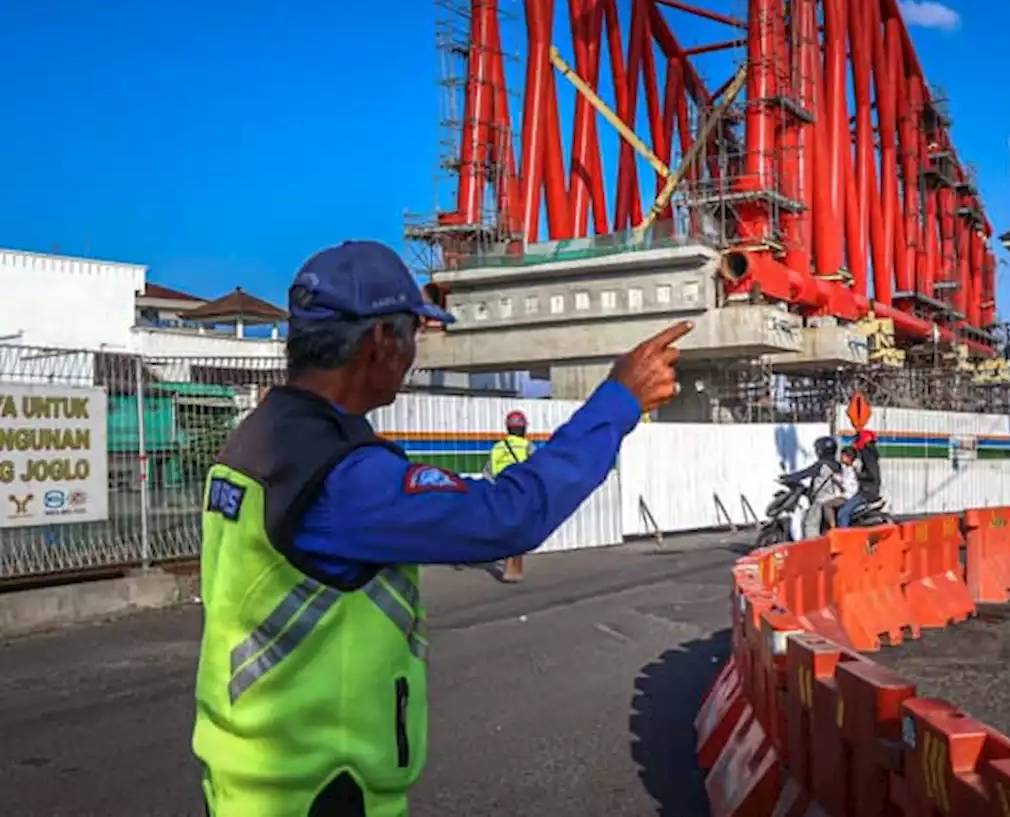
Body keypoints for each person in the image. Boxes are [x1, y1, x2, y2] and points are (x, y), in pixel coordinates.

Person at [192, 239, 692, 817]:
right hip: (322, 790)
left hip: (247, 777)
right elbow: (509, 516)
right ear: (380, 340)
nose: (415, 352)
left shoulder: (259, 440)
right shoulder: (343, 477)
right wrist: (618, 402)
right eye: (413, 333)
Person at [485, 410, 534, 582]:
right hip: (520, 491)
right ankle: (516, 570)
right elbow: (534, 470)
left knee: (507, 529)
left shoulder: (498, 447)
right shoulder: (528, 446)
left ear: (508, 428)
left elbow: (489, 472)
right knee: (520, 529)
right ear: (523, 429)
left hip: (502, 490)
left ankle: (508, 569)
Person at [780, 435, 844, 538]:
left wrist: (788, 478)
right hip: (834, 498)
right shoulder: (837, 465)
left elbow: (805, 473)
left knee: (810, 524)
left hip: (822, 499)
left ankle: (812, 546)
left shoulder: (822, 465)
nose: (817, 452)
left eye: (818, 449)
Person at [836, 428, 882, 528]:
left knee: (842, 514)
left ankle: (844, 537)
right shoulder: (869, 453)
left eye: (857, 439)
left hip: (866, 492)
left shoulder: (867, 454)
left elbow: (872, 475)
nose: (854, 442)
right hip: (869, 490)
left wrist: (858, 473)